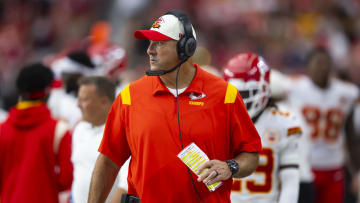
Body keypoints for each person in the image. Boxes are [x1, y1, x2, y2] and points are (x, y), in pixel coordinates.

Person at [88, 9, 262, 203]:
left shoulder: (224, 94)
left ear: (185, 47)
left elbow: (251, 155)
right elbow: (108, 162)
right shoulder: (129, 97)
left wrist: (231, 167)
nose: (150, 50)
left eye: (160, 43)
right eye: (149, 42)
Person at [223, 53, 301, 203]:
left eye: (245, 93)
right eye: (235, 94)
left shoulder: (283, 123)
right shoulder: (219, 119)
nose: (241, 100)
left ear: (264, 88)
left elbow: (290, 181)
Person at [284, 48, 359, 203]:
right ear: (307, 67)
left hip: (334, 165)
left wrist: (356, 170)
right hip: (305, 165)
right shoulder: (294, 87)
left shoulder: (346, 92)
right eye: (318, 63)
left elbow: (351, 135)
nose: (322, 67)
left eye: (326, 63)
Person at [0, 63, 73, 203]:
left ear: (19, 91)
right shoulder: (60, 130)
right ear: (48, 92)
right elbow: (66, 179)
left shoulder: (2, 129)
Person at [71, 76, 121, 202]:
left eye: (84, 100)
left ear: (104, 102)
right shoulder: (79, 130)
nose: (78, 105)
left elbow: (125, 187)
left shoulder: (121, 135)